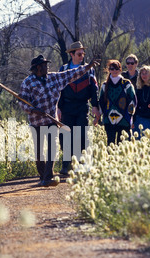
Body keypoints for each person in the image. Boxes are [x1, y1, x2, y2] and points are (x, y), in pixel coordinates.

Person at [18, 54, 100, 187]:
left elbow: (72, 74)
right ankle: (43, 176)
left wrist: (88, 67)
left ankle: (48, 177)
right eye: (45, 65)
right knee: (39, 152)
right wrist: (33, 110)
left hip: (51, 120)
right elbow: (21, 101)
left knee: (52, 148)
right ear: (38, 68)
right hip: (36, 122)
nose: (47, 67)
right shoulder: (28, 82)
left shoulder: (54, 77)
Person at [57, 41, 99, 176]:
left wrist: (95, 106)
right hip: (67, 106)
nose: (82, 56)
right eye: (79, 54)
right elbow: (59, 89)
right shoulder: (63, 69)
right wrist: (58, 108)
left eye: (83, 54)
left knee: (82, 135)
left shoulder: (89, 69)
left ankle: (83, 164)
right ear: (71, 54)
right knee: (65, 136)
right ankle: (66, 165)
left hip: (82, 106)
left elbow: (94, 88)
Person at [95, 59, 136, 145]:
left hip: (124, 119)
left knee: (122, 145)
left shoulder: (126, 84)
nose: (114, 71)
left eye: (116, 69)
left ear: (120, 70)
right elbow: (101, 102)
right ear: (109, 70)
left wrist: (130, 116)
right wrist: (100, 115)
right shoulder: (105, 85)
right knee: (110, 144)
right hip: (108, 120)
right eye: (112, 69)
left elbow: (132, 100)